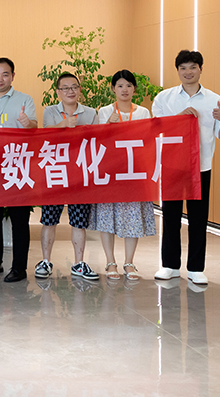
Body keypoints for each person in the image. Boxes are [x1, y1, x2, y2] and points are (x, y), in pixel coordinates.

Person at [152, 50, 220, 285]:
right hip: (172, 166)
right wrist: (179, 117)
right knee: (171, 217)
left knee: (198, 218)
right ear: (177, 71)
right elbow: (156, 129)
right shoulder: (164, 98)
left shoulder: (214, 99)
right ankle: (170, 265)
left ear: (201, 69)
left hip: (201, 167)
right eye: (183, 68)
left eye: (193, 67)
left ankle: (196, 268)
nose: (188, 72)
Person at [89, 70, 155, 281]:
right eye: (120, 85)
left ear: (134, 89)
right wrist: (108, 126)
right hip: (110, 172)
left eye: (128, 85)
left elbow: (148, 139)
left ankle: (129, 262)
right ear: (113, 89)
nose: (124, 90)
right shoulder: (104, 112)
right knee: (107, 216)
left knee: (132, 216)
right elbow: (96, 141)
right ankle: (110, 262)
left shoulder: (143, 112)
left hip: (134, 172)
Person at [0, 57, 37, 283]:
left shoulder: (25, 99)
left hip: (17, 164)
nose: (0, 79)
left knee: (19, 219)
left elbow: (34, 127)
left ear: (13, 76)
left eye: (5, 74)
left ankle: (19, 267)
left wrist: (27, 123)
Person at [36, 73, 99, 281]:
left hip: (80, 173)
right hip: (54, 172)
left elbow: (97, 140)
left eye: (74, 87)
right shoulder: (50, 111)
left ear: (79, 90)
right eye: (65, 88)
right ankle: (46, 261)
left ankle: (79, 263)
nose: (70, 91)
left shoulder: (90, 113)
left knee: (79, 221)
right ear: (58, 92)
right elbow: (46, 134)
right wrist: (64, 125)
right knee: (49, 219)